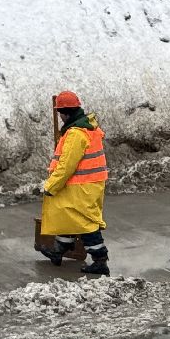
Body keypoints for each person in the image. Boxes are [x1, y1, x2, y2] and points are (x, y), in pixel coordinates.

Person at [39, 90, 110, 276]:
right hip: (88, 183)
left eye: (60, 113)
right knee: (69, 216)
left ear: (64, 113)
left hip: (82, 185)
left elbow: (66, 166)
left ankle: (100, 260)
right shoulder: (86, 128)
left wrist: (50, 186)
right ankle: (57, 252)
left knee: (84, 223)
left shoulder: (76, 134)